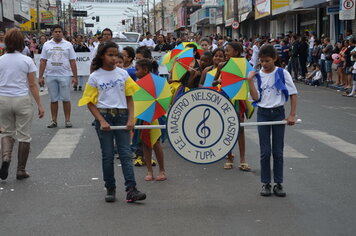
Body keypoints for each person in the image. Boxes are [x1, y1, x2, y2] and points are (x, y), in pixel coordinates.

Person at [78, 41, 146, 203]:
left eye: (116, 55)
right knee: (108, 155)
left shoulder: (123, 74)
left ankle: (131, 189)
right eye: (110, 55)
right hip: (104, 117)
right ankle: (110, 187)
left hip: (122, 116)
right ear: (102, 56)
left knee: (125, 154)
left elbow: (130, 98)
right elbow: (89, 102)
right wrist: (101, 121)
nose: (114, 58)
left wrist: (131, 118)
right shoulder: (95, 76)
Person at [249, 44, 298, 197]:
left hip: (278, 113)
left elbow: (293, 94)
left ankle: (278, 183)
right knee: (265, 152)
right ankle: (266, 183)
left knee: (278, 151)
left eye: (267, 61)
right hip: (263, 113)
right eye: (262, 61)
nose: (264, 64)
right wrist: (250, 81)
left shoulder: (283, 73)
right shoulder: (257, 75)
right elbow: (256, 98)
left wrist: (291, 115)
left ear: (275, 59)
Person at [0, 28, 44, 180]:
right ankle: (21, 170)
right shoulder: (27, 60)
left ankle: (5, 158)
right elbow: (32, 85)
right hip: (22, 100)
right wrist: (39, 104)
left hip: (3, 99)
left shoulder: (0, 60)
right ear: (21, 43)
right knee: (24, 136)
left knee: (6, 132)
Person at [213, 42, 252, 171]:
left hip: (239, 98)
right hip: (225, 97)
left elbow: (251, 78)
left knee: (240, 128)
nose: (225, 53)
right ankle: (229, 157)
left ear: (236, 52)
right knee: (226, 128)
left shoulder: (245, 65)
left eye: (228, 50)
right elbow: (214, 81)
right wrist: (219, 81)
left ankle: (243, 160)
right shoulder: (222, 65)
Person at [39, 24, 78, 128]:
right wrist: (40, 76)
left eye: (59, 31)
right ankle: (54, 120)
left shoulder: (68, 45)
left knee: (66, 99)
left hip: (64, 75)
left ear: (62, 33)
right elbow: (43, 61)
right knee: (53, 99)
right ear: (52, 33)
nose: (57, 33)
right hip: (50, 75)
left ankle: (67, 120)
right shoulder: (47, 45)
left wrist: (75, 77)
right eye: (55, 31)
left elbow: (73, 61)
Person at [134, 59, 166, 181]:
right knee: (145, 143)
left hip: (154, 116)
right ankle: (149, 170)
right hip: (142, 115)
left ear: (146, 70)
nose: (135, 72)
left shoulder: (155, 82)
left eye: (137, 69)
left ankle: (162, 170)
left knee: (156, 143)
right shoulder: (137, 84)